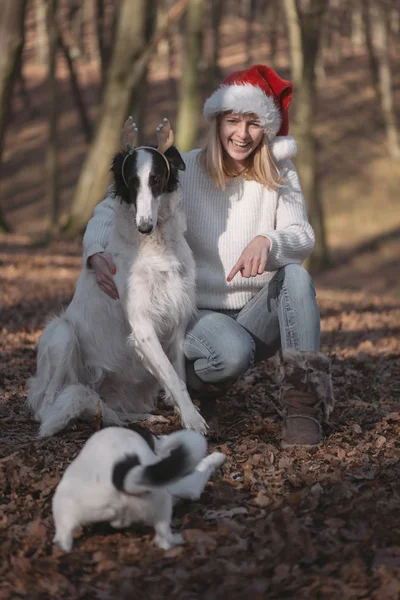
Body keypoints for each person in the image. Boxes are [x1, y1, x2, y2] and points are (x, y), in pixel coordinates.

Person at [82, 64, 334, 448]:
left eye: (253, 123)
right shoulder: (186, 169)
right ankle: (203, 389)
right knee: (231, 353)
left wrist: (269, 240)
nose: (242, 134)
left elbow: (302, 236)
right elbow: (113, 204)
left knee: (296, 277)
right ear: (217, 122)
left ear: (266, 128)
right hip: (199, 314)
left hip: (256, 312)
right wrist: (96, 250)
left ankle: (303, 409)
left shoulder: (281, 173)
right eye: (233, 121)